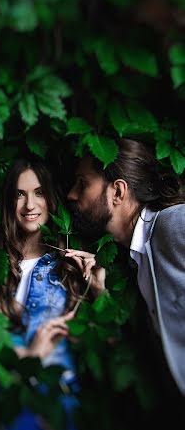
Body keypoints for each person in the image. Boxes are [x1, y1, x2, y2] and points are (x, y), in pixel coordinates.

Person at [65, 137, 185, 409]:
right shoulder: (138, 255)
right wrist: (99, 292)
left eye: (83, 184)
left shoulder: (172, 224)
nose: (71, 194)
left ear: (118, 192)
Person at [0, 156, 106, 430]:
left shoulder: (69, 267)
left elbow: (104, 342)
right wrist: (31, 355)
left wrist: (98, 291)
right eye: (20, 194)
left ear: (51, 198)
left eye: (39, 192)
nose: (30, 205)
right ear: (9, 202)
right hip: (11, 401)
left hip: (61, 396)